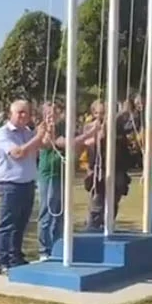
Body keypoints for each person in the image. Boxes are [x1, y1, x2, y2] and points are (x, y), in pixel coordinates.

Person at [0, 100, 50, 274]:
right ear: (11, 114)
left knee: (21, 223)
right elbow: (18, 153)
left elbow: (44, 145)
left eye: (27, 112)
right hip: (11, 185)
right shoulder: (3, 133)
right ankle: (3, 260)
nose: (24, 116)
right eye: (20, 112)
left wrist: (47, 130)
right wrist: (37, 137)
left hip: (27, 183)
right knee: (7, 224)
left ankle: (15, 256)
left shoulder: (27, 132)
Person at [37, 103, 98, 260]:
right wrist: (89, 133)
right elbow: (64, 143)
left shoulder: (63, 127)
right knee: (48, 212)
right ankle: (44, 249)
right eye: (49, 114)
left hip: (63, 174)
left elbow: (76, 145)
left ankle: (57, 246)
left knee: (60, 213)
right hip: (49, 175)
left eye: (55, 113)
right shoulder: (43, 129)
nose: (52, 116)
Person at [84, 101, 134, 232]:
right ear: (93, 113)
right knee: (97, 203)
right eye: (98, 113)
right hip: (99, 169)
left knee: (113, 201)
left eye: (104, 113)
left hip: (117, 168)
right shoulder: (90, 127)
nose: (102, 116)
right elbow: (88, 143)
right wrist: (101, 133)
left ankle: (108, 226)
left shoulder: (117, 126)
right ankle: (92, 230)